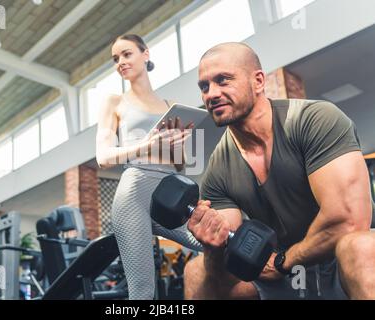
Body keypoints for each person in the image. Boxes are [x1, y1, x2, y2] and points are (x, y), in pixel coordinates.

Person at [183, 42, 375, 299]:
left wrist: (284, 261)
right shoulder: (218, 170)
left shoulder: (314, 120)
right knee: (196, 272)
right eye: (204, 87)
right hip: (279, 274)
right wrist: (213, 248)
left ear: (258, 81)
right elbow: (226, 270)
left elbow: (350, 221)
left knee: (360, 246)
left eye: (223, 80)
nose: (211, 94)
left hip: (336, 261)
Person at [95, 34, 202, 300]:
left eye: (127, 54)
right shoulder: (115, 102)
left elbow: (182, 163)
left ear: (145, 54)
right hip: (134, 193)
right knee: (143, 291)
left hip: (169, 192)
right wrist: (145, 146)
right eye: (115, 58)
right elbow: (103, 157)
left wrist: (180, 144)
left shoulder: (170, 106)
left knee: (210, 244)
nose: (120, 62)